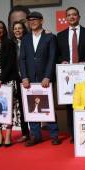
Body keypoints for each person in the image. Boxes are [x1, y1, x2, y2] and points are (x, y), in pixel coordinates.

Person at [19, 11, 60, 146]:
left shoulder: (50, 37)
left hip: (45, 78)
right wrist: (24, 76)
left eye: (35, 19)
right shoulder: (25, 39)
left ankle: (54, 135)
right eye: (30, 20)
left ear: (41, 20)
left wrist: (47, 76)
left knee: (48, 105)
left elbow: (52, 58)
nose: (32, 22)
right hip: (29, 78)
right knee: (32, 106)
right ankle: (35, 136)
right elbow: (22, 59)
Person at [57, 6, 85, 143]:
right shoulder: (60, 36)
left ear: (79, 17)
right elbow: (57, 55)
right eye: (69, 15)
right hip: (68, 76)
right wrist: (62, 61)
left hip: (84, 74)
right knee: (70, 105)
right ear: (66, 18)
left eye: (74, 14)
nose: (72, 17)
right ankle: (74, 134)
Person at [10, 21, 30, 142]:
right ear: (13, 31)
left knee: (32, 105)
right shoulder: (10, 44)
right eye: (15, 29)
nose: (17, 30)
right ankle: (25, 133)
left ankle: (36, 132)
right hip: (16, 79)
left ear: (24, 30)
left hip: (30, 78)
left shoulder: (29, 41)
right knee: (22, 107)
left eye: (20, 28)